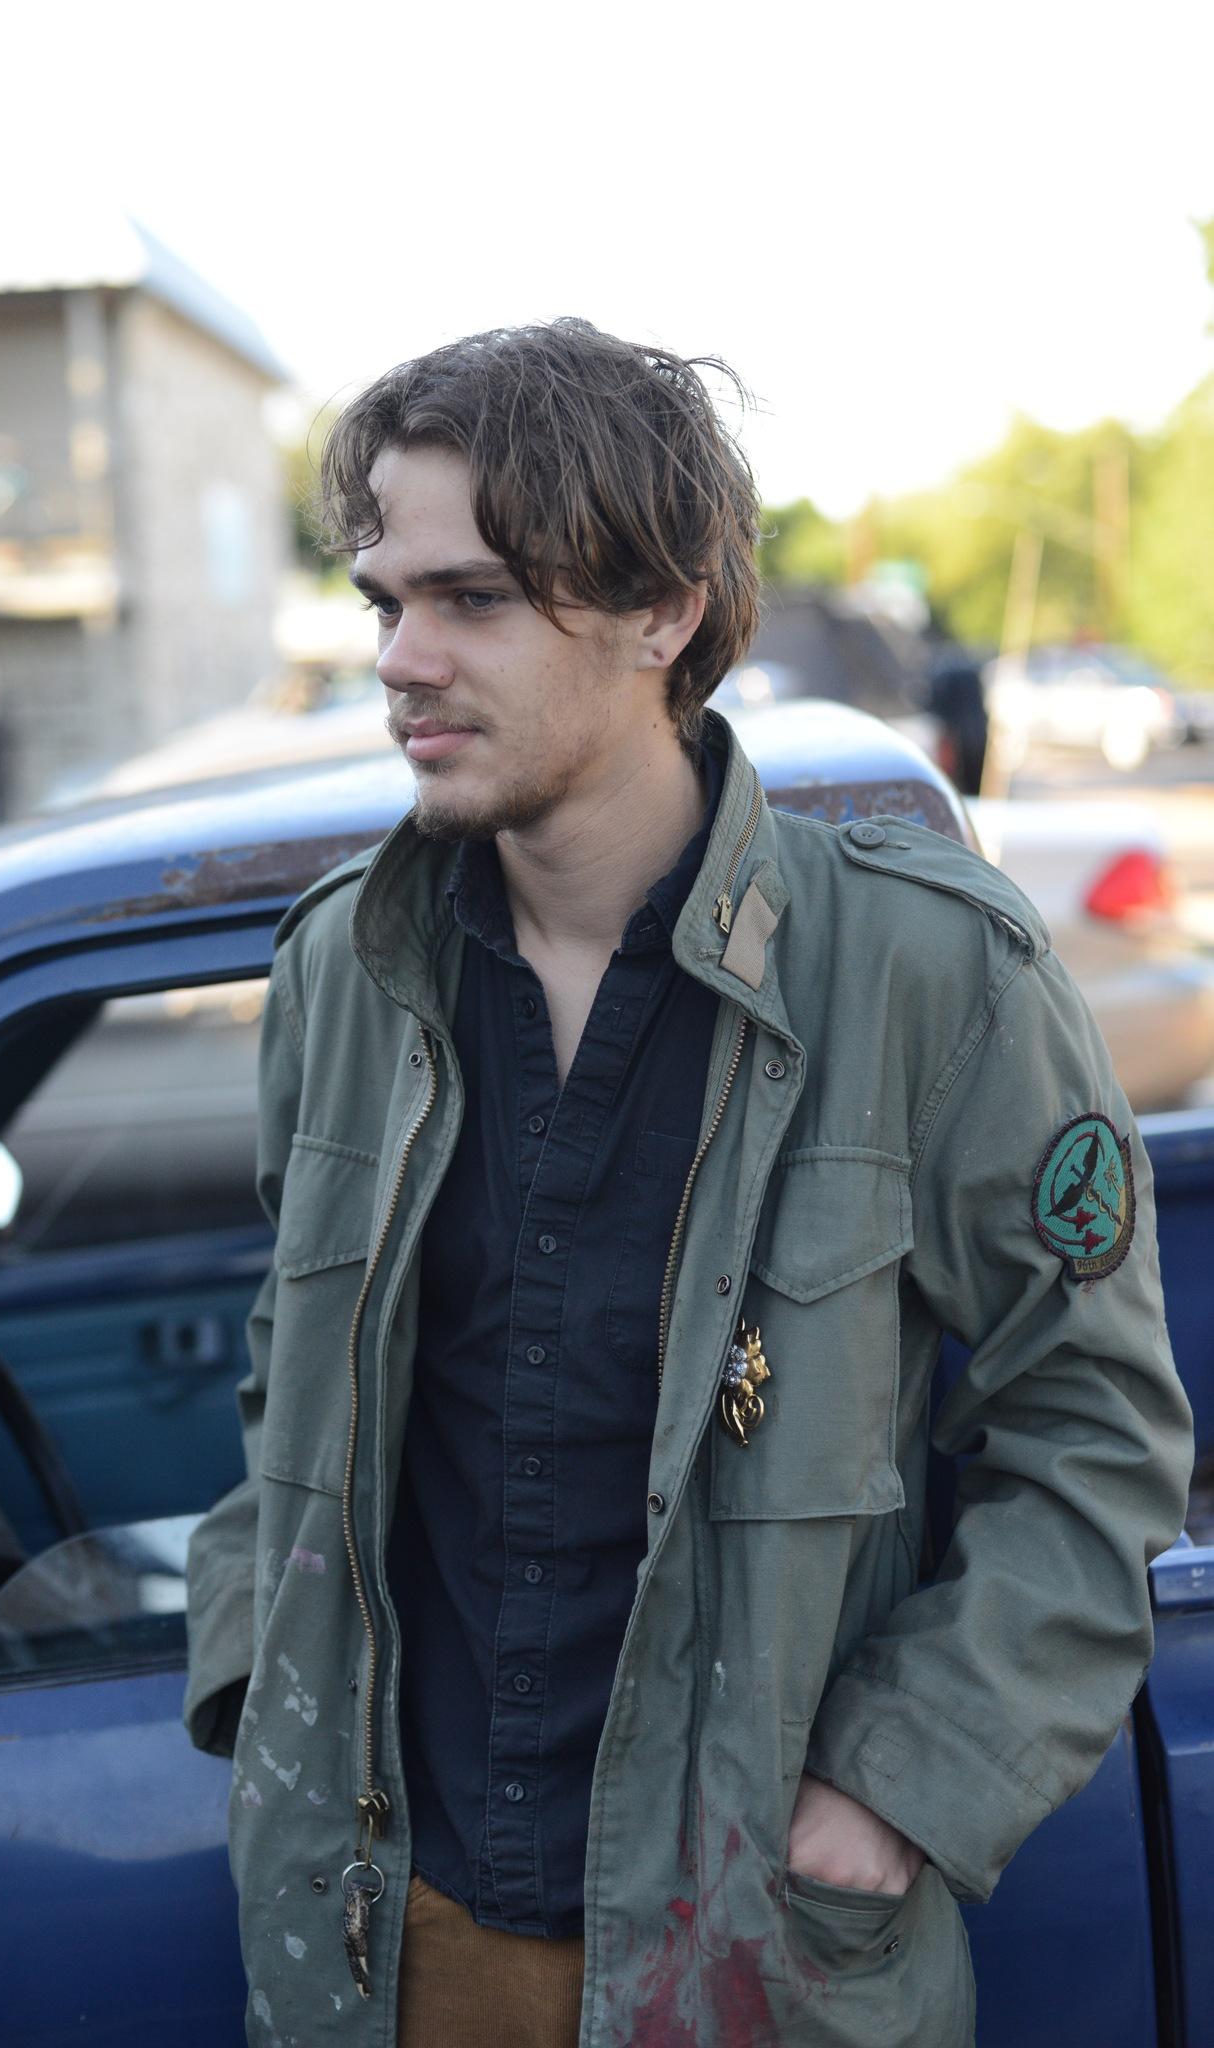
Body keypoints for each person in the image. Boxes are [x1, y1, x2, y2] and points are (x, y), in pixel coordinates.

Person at [183, 320, 1193, 2048]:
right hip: (385, 1939)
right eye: (385, 601)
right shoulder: (346, 971)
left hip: (757, 1952)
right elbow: (292, 1382)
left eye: (472, 599)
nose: (402, 660)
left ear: (663, 610)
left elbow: (1094, 1434)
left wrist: (896, 1787)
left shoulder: (922, 974)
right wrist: (253, 1682)